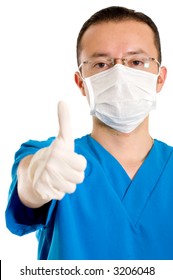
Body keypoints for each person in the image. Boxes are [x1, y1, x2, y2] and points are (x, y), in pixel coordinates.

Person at [5, 6, 173, 260]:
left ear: (160, 79)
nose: (119, 74)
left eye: (137, 62)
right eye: (101, 64)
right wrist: (35, 182)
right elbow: (28, 186)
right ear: (81, 82)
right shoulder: (52, 159)